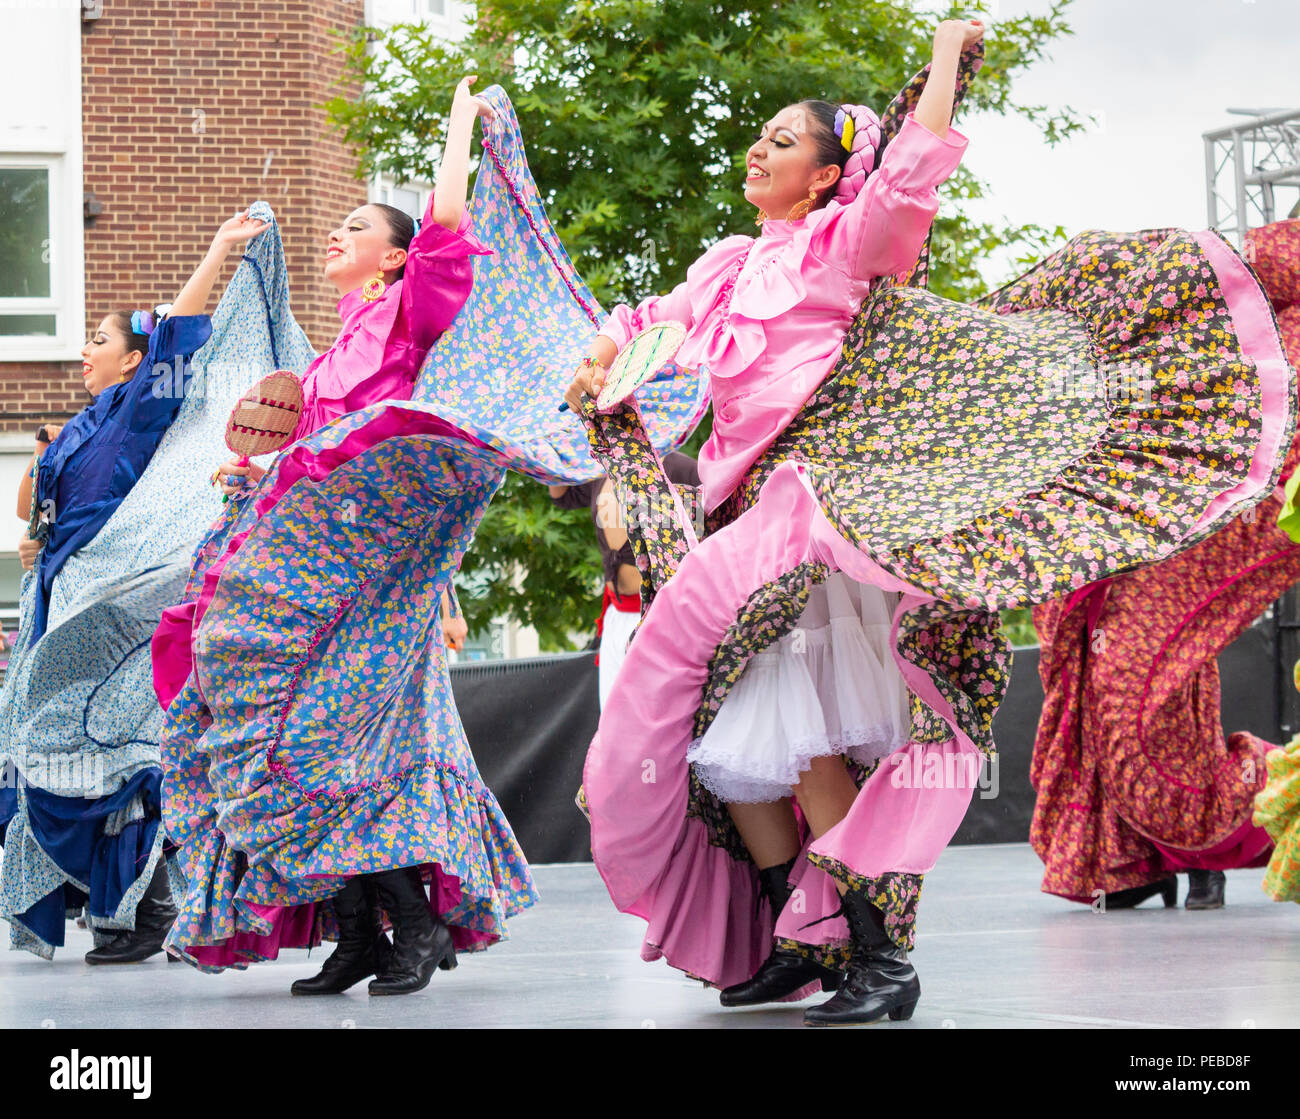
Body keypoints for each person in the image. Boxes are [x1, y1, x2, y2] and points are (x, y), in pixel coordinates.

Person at [568, 17, 1295, 1027]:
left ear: (826, 177)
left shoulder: (843, 248)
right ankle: (801, 937)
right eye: (761, 137)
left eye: (783, 140)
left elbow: (908, 176)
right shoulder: (732, 261)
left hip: (832, 516)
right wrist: (606, 357)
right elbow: (654, 323)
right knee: (742, 739)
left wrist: (949, 57)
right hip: (748, 523)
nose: (758, 150)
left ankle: (878, 955)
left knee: (798, 729)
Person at [152, 77, 540, 997]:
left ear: (400, 258)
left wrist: (456, 120)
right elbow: (317, 456)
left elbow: (447, 223)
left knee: (335, 737)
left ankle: (411, 920)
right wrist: (253, 477)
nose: (338, 233)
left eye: (358, 226)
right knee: (269, 716)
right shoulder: (330, 355)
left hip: (374, 567)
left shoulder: (413, 314)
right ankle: (362, 927)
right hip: (317, 568)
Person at [0, 207, 266, 962]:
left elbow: (177, 330)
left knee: (105, 756)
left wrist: (216, 248)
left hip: (110, 603)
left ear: (134, 361)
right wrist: (34, 543)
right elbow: (46, 510)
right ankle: (127, 907)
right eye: (85, 338)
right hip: (59, 595)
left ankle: (147, 907)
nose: (85, 349)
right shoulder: (81, 423)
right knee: (54, 757)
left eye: (101, 339)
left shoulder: (139, 407)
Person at [1030, 217, 1300, 914]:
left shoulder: (1214, 282)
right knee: (1109, 698)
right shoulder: (1109, 329)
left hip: (1184, 524)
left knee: (1138, 718)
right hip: (1106, 536)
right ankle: (1134, 861)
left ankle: (1259, 816)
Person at [549, 451, 700, 706]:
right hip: (616, 617)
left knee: (660, 721)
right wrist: (555, 440)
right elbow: (562, 495)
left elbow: (703, 545)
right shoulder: (603, 468)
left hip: (660, 618)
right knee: (612, 724)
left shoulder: (680, 469)